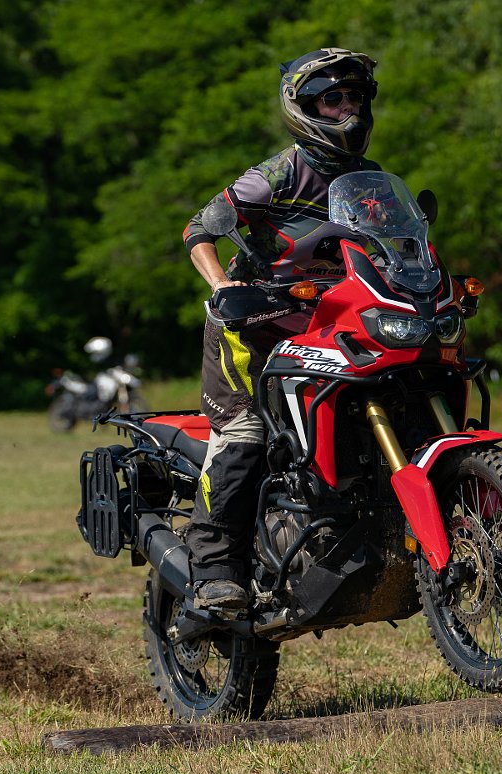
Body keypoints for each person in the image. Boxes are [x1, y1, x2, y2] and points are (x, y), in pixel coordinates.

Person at [180, 48, 382, 609]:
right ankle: (214, 572)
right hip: (255, 326)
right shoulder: (280, 172)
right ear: (304, 108)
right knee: (246, 434)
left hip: (327, 327)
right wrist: (223, 286)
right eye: (332, 98)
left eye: (354, 96)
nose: (347, 108)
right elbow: (199, 228)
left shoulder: (371, 180)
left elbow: (396, 245)